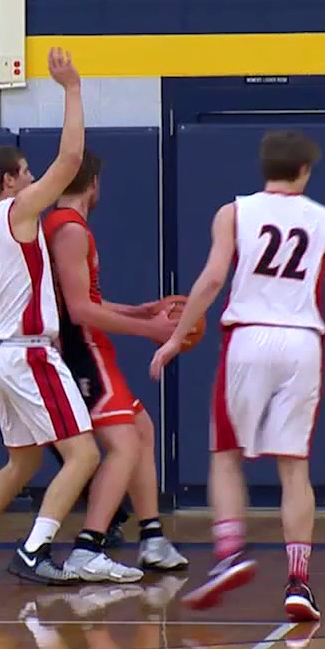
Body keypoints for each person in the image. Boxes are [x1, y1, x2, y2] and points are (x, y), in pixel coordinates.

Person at [149, 130, 325, 621]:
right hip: (303, 341)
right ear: (305, 170)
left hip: (249, 336)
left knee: (225, 454)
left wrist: (176, 338)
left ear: (264, 166)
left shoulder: (235, 211)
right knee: (294, 467)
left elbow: (214, 278)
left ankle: (229, 553)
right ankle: (299, 581)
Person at [0, 47, 100, 585]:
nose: (34, 180)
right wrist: (72, 90)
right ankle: (34, 549)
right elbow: (71, 162)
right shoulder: (17, 210)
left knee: (22, 462)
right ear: (9, 182)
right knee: (83, 455)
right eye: (26, 173)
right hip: (28, 352)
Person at [42, 149, 190, 580]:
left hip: (90, 345)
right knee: (123, 443)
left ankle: (153, 538)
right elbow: (80, 312)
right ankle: (88, 547)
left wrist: (139, 312)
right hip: (81, 349)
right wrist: (150, 332)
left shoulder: (65, 226)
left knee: (141, 430)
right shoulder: (69, 230)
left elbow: (87, 301)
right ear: (92, 183)